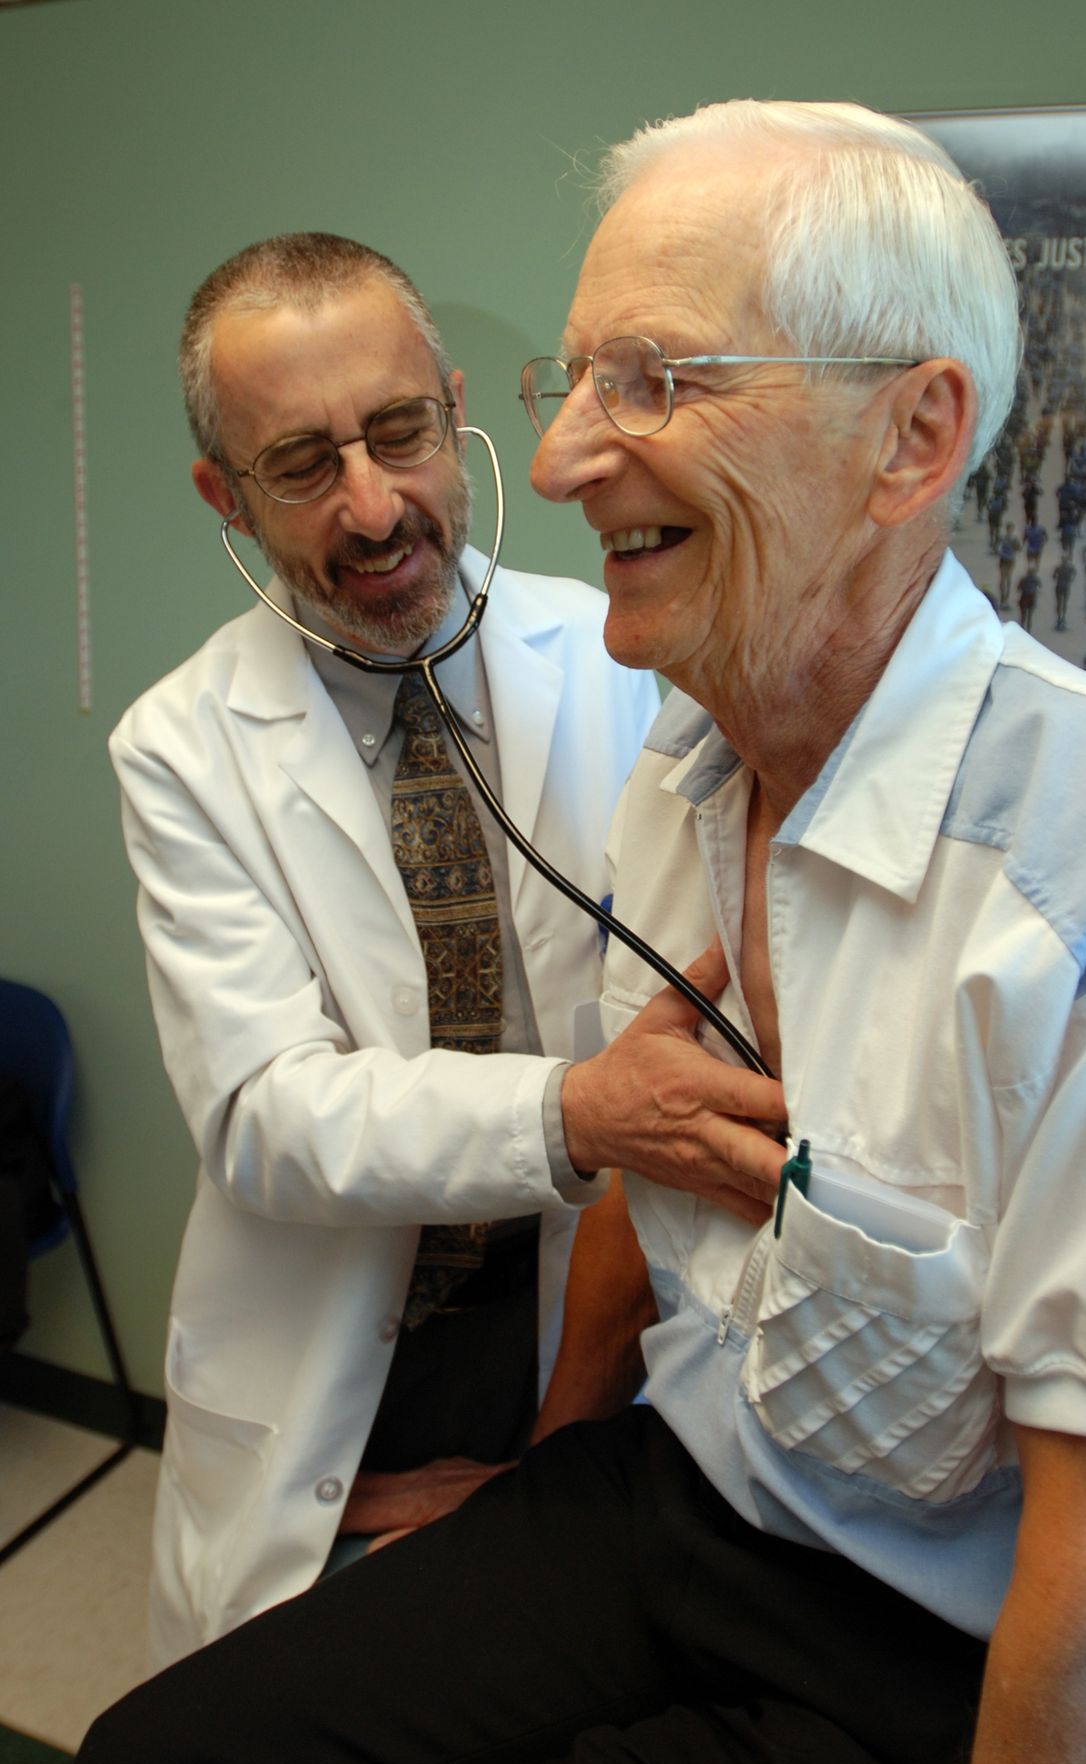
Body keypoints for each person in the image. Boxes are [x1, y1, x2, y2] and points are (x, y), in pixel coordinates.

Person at [69, 103, 1086, 1764]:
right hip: (669, 1482)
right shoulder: (679, 761)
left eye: (656, 378)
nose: (583, 450)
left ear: (912, 438)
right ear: (232, 498)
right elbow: (576, 1186)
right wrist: (547, 1470)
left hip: (922, 1633)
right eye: (580, 381)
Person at [103, 231, 781, 1673]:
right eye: (300, 465)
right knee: (287, 1733)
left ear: (457, 410)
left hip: (588, 1338)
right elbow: (263, 1114)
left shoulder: (632, 663)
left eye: (400, 432)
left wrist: (569, 1422)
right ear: (223, 494)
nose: (374, 505)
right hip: (336, 1365)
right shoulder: (181, 747)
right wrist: (577, 1109)